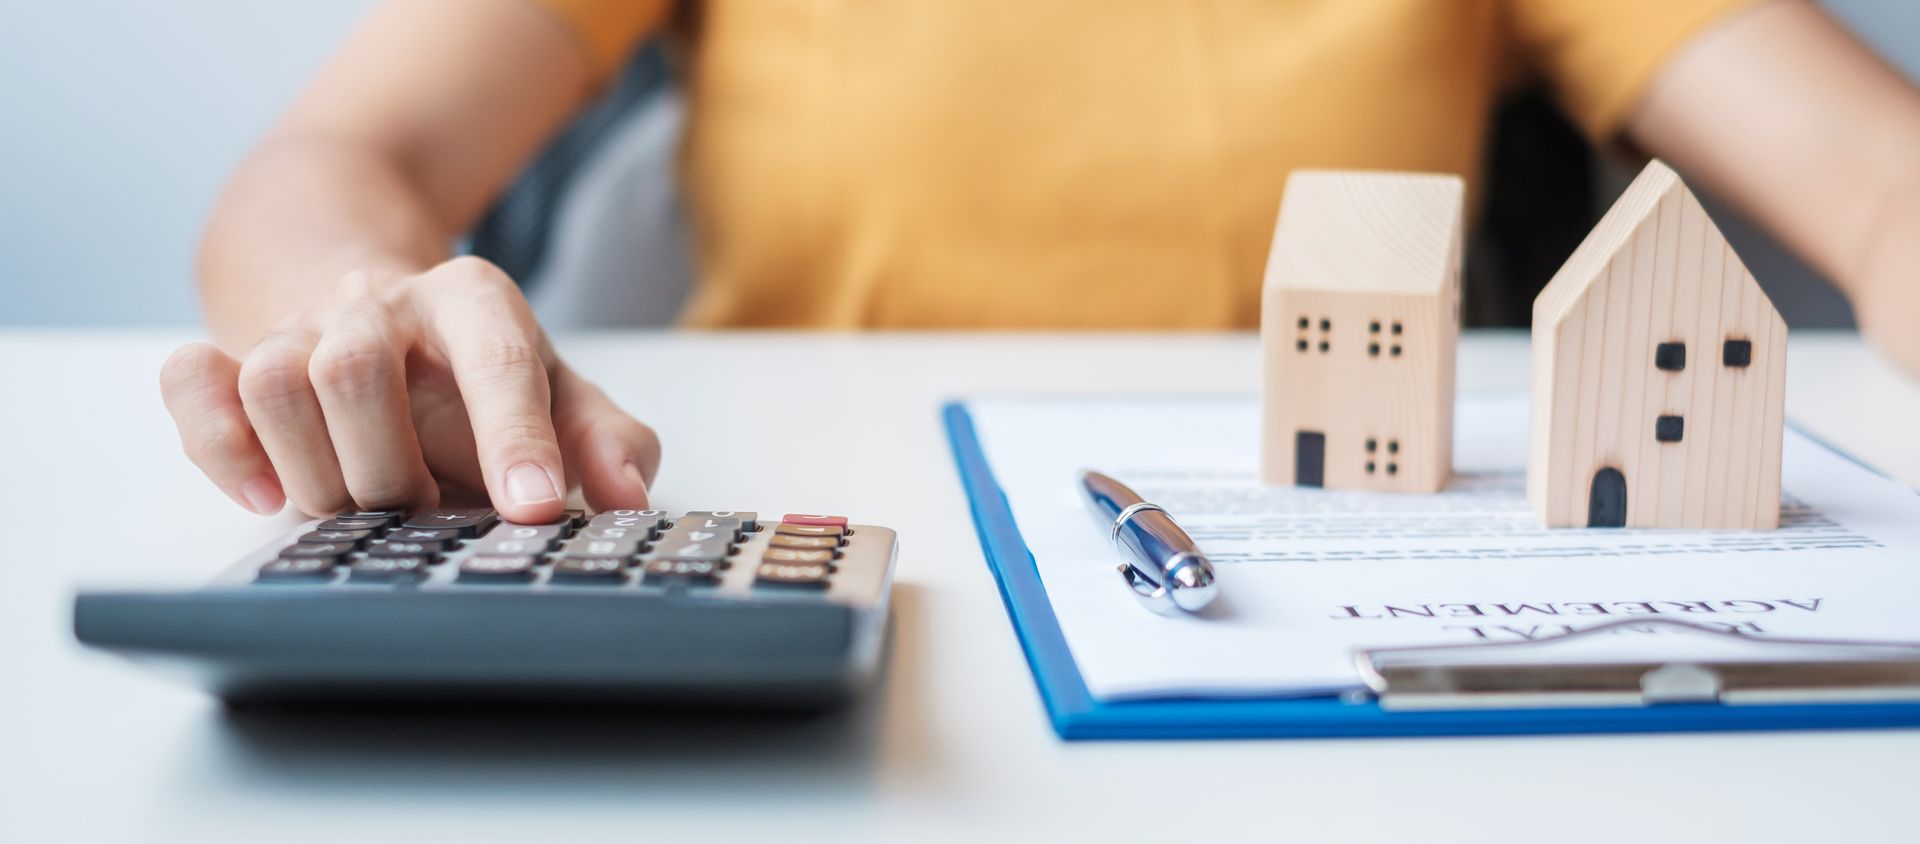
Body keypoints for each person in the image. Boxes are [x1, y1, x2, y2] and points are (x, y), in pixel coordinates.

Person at [160, 0, 1920, 523]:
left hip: (1319, 582)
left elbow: (1877, 176)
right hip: (819, 546)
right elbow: (335, 163)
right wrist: (356, 306)